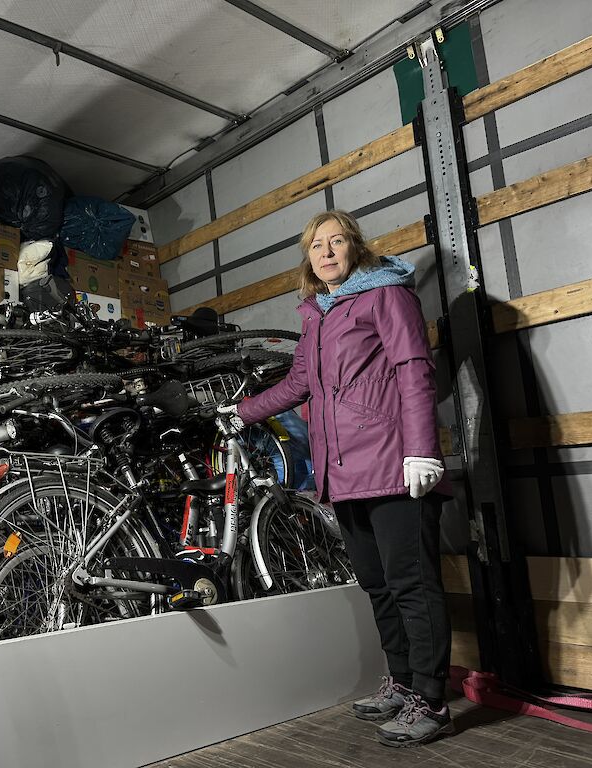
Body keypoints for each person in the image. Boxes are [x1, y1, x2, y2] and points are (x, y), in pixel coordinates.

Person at [218, 210, 453, 747]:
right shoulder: (318, 315)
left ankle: (431, 700)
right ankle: (402, 682)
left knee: (412, 585)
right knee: (376, 583)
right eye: (315, 245)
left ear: (356, 247)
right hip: (342, 470)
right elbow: (298, 383)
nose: (325, 252)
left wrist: (422, 450)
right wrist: (242, 413)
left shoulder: (386, 295)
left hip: (393, 464)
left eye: (336, 241)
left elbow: (414, 368)